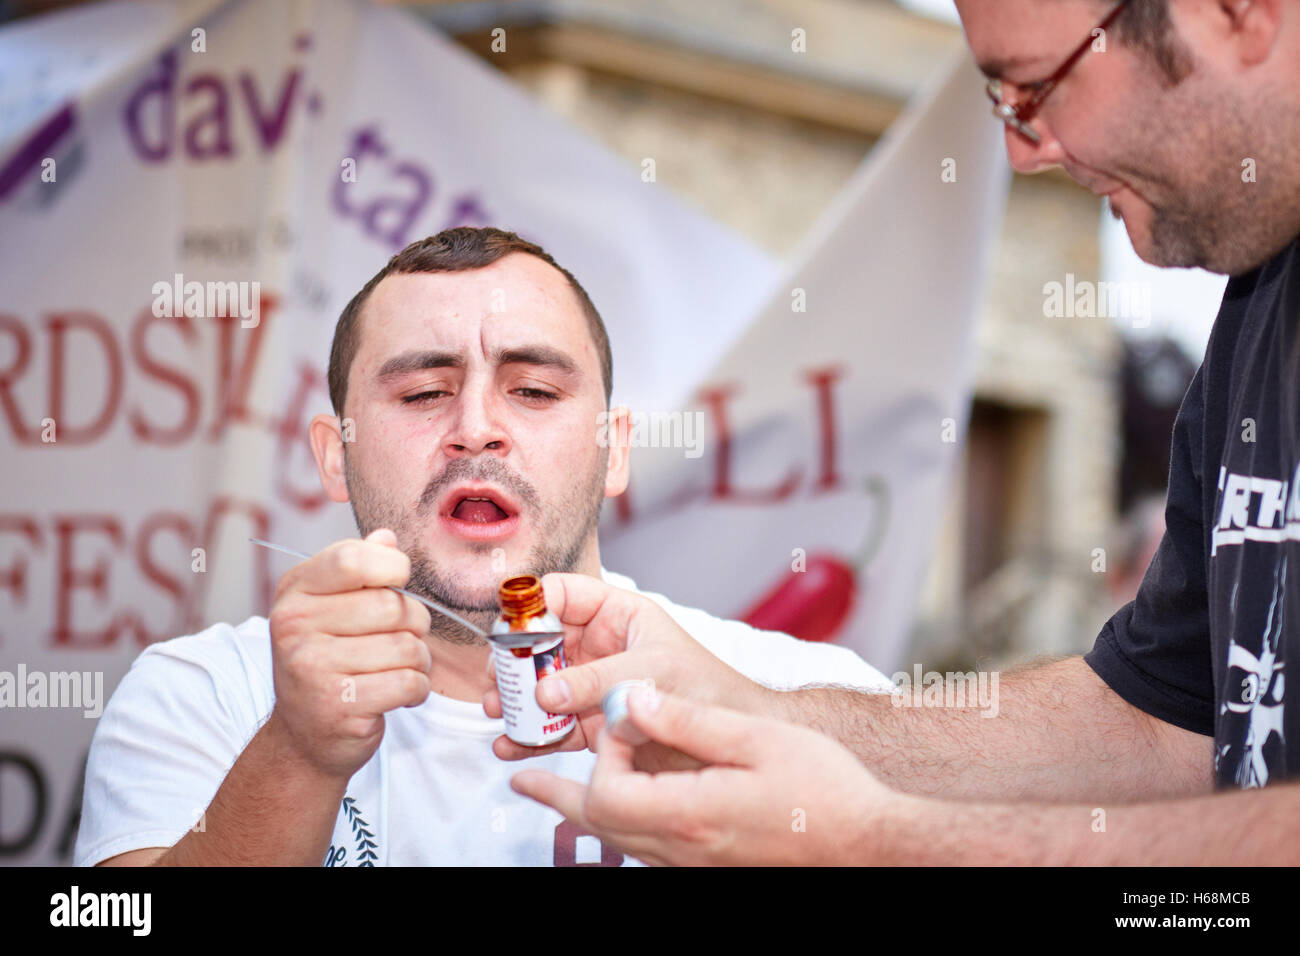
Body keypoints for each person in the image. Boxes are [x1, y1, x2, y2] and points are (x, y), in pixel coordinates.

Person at [502, 0, 1300, 864]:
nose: (1022, 152)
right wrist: (749, 708)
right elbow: (1154, 725)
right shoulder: (1260, 298)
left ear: (1240, 14)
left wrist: (877, 842)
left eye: (1035, 90)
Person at [74, 227, 891, 867]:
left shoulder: (802, 694)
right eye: (424, 393)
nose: (475, 430)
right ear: (334, 453)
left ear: (615, 451)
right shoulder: (200, 695)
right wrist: (296, 754)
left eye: (533, 391)